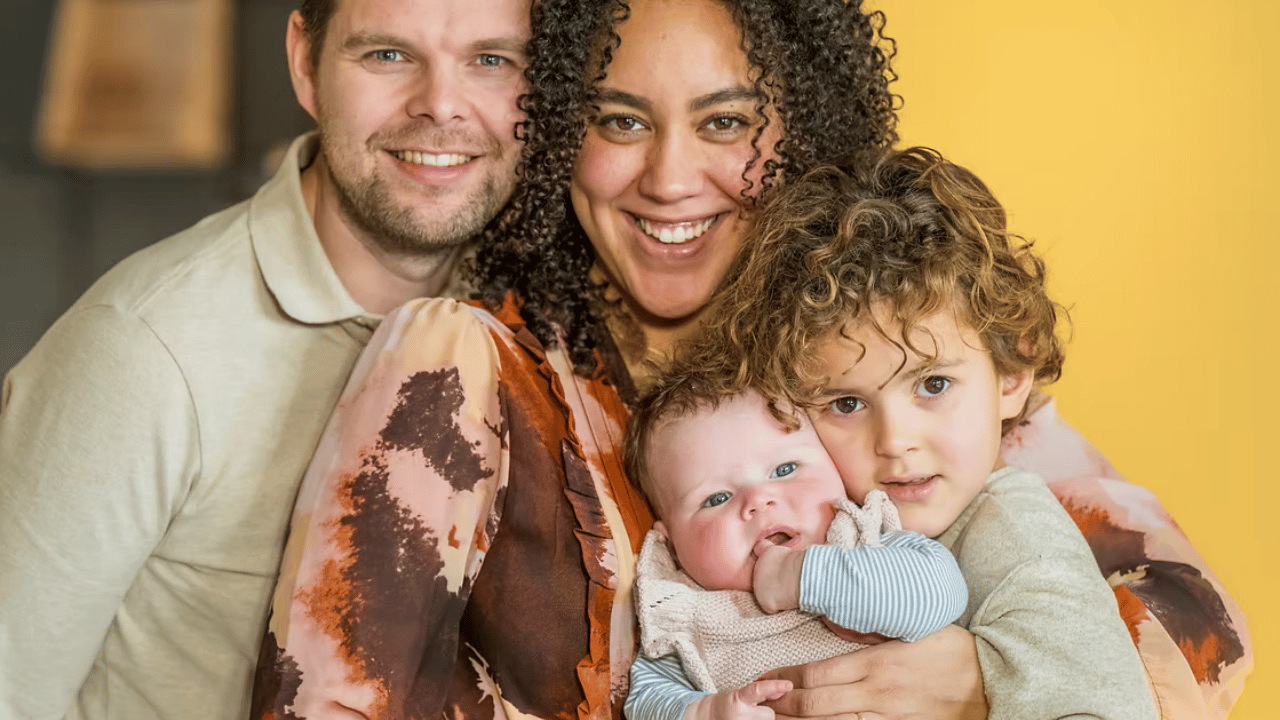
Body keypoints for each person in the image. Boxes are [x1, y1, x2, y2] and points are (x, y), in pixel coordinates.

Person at [251, 0, 1251, 718]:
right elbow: (332, 693)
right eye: (618, 120)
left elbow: (1199, 627)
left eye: (725, 122)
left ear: (803, 125)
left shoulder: (871, 361)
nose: (670, 176)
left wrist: (981, 676)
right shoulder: (465, 368)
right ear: (558, 132)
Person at [0, 0, 533, 717]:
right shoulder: (143, 350)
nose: (440, 104)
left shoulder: (535, 326)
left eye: (491, 60)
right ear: (305, 63)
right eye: (386, 55)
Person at [685, 146, 1159, 719]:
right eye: (846, 402)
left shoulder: (1018, 543)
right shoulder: (810, 515)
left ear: (1010, 375)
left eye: (933, 385)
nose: (895, 441)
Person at [621, 380, 968, 720]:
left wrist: (801, 576)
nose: (757, 500)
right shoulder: (683, 613)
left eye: (785, 469)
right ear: (672, 544)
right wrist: (705, 711)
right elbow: (646, 701)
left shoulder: (867, 540)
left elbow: (942, 593)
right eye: (717, 498)